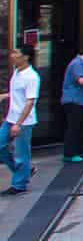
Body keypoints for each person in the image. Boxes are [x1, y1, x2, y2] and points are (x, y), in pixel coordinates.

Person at [4, 47, 38, 194]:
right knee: (1, 146)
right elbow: (18, 93)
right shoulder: (16, 72)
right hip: (11, 117)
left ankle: (19, 185)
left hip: (23, 121)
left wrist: (18, 124)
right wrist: (5, 96)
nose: (13, 56)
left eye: (16, 54)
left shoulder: (32, 77)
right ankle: (26, 170)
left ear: (26, 57)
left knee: (22, 153)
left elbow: (30, 102)